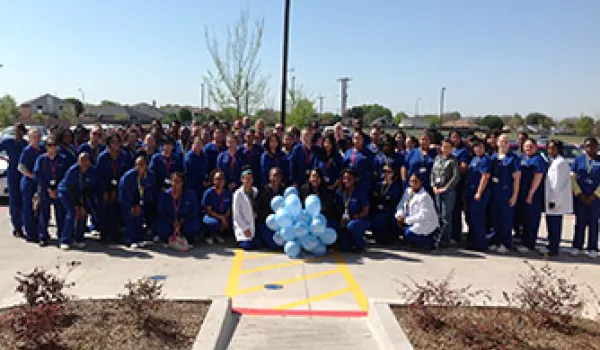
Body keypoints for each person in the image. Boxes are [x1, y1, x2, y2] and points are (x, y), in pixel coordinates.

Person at [488, 134, 521, 254]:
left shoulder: (513, 158)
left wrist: (515, 195)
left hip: (507, 192)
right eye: (502, 141)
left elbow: (517, 178)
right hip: (495, 191)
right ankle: (495, 241)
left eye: (506, 141)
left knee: (506, 219)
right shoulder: (493, 157)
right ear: (497, 142)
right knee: (495, 218)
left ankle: (505, 243)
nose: (504, 143)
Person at [58, 153, 97, 250]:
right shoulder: (72, 171)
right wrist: (77, 205)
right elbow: (71, 189)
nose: (84, 163)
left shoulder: (92, 171)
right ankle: (65, 240)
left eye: (86, 160)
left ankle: (79, 238)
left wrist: (82, 205)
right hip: (66, 193)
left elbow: (89, 189)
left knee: (83, 213)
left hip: (81, 194)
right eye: (81, 161)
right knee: (72, 213)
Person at [33, 136, 67, 246]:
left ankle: (62, 235)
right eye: (49, 145)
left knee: (60, 213)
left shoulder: (63, 159)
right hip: (45, 189)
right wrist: (48, 189)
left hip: (58, 189)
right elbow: (38, 175)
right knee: (44, 213)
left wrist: (57, 189)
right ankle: (43, 236)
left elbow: (65, 176)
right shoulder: (41, 159)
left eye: (54, 145)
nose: (52, 147)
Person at [96, 134, 131, 243]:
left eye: (117, 142)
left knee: (116, 211)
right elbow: (99, 176)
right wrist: (105, 191)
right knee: (105, 210)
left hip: (119, 188)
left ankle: (116, 235)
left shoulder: (125, 156)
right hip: (105, 188)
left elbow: (127, 174)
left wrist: (117, 189)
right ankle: (104, 235)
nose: (115, 144)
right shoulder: (102, 157)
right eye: (113, 142)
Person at [540, 140, 572, 256]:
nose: (550, 150)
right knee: (550, 224)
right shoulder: (554, 161)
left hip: (555, 200)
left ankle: (553, 249)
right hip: (551, 197)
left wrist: (554, 200)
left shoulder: (560, 163)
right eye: (548, 148)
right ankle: (551, 245)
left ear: (558, 149)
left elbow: (558, 184)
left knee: (554, 225)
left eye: (553, 148)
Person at [515, 139, 547, 253]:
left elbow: (538, 178)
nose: (528, 148)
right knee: (523, 218)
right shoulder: (522, 158)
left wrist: (530, 194)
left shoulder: (538, 160)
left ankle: (529, 244)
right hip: (521, 192)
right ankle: (523, 240)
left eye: (531, 146)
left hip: (533, 194)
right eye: (526, 146)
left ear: (536, 147)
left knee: (531, 219)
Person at [570, 137, 600, 258]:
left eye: (592, 146)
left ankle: (592, 247)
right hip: (580, 196)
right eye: (587, 146)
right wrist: (579, 193)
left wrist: (595, 194)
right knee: (580, 222)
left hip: (596, 198)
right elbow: (572, 177)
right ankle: (577, 246)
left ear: (597, 147)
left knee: (594, 223)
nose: (590, 148)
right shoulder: (578, 160)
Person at [119, 156, 157, 248]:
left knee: (141, 214)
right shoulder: (128, 177)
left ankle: (140, 238)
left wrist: (141, 204)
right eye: (137, 165)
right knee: (131, 215)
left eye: (142, 165)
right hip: (128, 202)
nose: (139, 167)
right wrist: (132, 206)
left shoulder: (150, 175)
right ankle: (130, 239)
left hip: (142, 202)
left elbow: (150, 191)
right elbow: (124, 193)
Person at [395, 173, 439, 250]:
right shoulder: (408, 192)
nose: (413, 183)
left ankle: (431, 242)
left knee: (409, 233)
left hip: (424, 222)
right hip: (410, 220)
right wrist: (399, 215)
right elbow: (401, 205)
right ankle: (411, 242)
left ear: (421, 182)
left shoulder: (424, 196)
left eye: (416, 181)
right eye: (411, 181)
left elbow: (423, 215)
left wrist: (406, 221)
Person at [157, 172, 201, 246]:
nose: (177, 183)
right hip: (170, 220)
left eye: (179, 181)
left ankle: (188, 238)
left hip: (185, 220)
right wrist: (172, 222)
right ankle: (167, 238)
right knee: (161, 226)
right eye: (174, 181)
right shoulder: (165, 195)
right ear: (171, 182)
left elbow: (194, 211)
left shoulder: (190, 194)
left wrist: (181, 222)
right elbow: (161, 211)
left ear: (182, 183)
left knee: (193, 226)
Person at [430, 138, 460, 247]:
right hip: (437, 190)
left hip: (448, 191)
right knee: (438, 215)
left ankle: (445, 240)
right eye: (444, 147)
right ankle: (438, 238)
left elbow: (455, 177)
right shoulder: (437, 158)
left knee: (445, 216)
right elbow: (432, 173)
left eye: (448, 147)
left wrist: (446, 188)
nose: (445, 149)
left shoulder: (453, 160)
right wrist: (433, 186)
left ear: (451, 149)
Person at [0, 123, 28, 237]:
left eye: (19, 131)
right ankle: (17, 227)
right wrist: (5, 158)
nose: (16, 133)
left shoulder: (25, 144)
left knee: (24, 201)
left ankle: (25, 224)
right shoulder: (8, 142)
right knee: (14, 201)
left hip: (23, 174)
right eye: (15, 131)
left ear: (23, 132)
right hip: (12, 173)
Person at [18, 129, 45, 242]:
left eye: (38, 136)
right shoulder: (27, 151)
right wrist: (32, 176)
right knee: (28, 208)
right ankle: (30, 234)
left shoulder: (43, 149)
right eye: (34, 137)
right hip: (29, 183)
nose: (36, 139)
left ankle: (41, 232)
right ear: (29, 139)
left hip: (40, 183)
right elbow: (21, 167)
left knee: (41, 208)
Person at [466, 139, 491, 251]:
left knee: (478, 218)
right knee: (471, 218)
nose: (478, 149)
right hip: (470, 191)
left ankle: (480, 244)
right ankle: (473, 240)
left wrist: (479, 192)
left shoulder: (485, 160)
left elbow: (485, 177)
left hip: (479, 193)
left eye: (481, 147)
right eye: (476, 147)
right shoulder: (474, 159)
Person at [337, 168, 371, 252]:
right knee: (344, 248)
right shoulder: (340, 192)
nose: (346, 180)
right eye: (344, 178)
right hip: (344, 220)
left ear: (354, 179)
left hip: (359, 220)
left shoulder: (360, 192)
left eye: (349, 178)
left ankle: (361, 244)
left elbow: (365, 211)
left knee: (352, 226)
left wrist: (353, 217)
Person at [370, 164, 402, 244]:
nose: (386, 174)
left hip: (389, 210)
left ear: (393, 173)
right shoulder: (378, 185)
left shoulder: (395, 186)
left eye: (389, 172)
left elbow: (393, 200)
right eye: (384, 171)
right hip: (377, 209)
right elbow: (374, 197)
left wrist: (383, 198)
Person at [256, 167, 285, 250]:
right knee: (273, 245)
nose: (276, 178)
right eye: (274, 175)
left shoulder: (283, 191)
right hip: (265, 222)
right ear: (269, 177)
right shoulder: (263, 190)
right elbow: (258, 209)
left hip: (280, 223)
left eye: (278, 176)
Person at [449, 130, 470, 243]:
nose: (454, 139)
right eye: (452, 137)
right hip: (446, 184)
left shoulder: (463, 151)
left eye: (457, 137)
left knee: (456, 210)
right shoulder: (449, 149)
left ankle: (456, 235)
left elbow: (463, 167)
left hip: (457, 184)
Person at [232, 168, 260, 250]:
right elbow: (237, 214)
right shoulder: (238, 194)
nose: (248, 181)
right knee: (248, 246)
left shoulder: (255, 191)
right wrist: (244, 228)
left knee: (258, 244)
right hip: (242, 226)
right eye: (246, 179)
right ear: (242, 180)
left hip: (253, 224)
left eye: (250, 179)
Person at [202, 169, 232, 245]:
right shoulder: (209, 193)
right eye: (217, 179)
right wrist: (221, 218)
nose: (220, 181)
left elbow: (229, 208)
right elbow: (209, 211)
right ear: (213, 180)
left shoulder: (227, 192)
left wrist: (225, 217)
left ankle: (219, 234)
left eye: (222, 179)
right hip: (212, 215)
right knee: (213, 223)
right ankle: (208, 235)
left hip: (224, 215)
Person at [343, 132, 373, 196]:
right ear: (353, 139)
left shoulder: (368, 153)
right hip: (349, 183)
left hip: (362, 185)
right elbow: (344, 166)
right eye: (356, 138)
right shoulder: (348, 152)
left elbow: (371, 169)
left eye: (360, 138)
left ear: (362, 140)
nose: (357, 140)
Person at [184, 136, 207, 204]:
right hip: (191, 185)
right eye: (197, 143)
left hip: (201, 185)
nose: (199, 145)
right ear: (193, 144)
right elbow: (190, 172)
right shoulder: (189, 156)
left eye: (200, 144)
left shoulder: (203, 155)